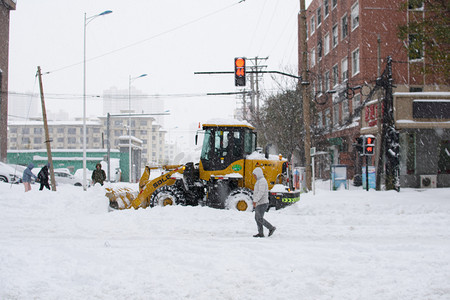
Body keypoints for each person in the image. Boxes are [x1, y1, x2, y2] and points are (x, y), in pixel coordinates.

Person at [252, 167, 276, 238]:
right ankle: (260, 233)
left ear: (258, 174)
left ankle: (271, 228)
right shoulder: (259, 181)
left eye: (254, 175)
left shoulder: (262, 181)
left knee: (259, 218)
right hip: (259, 203)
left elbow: (261, 192)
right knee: (257, 218)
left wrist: (255, 200)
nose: (254, 176)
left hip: (262, 203)